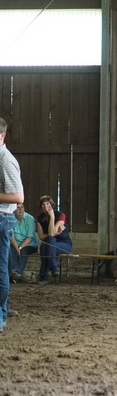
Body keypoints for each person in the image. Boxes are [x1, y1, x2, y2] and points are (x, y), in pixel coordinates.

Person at [0, 117, 24, 331]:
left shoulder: (6, 161)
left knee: (1, 269)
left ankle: (1, 314)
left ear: (2, 136)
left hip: (1, 218)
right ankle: (4, 310)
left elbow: (18, 196)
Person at [36, 195, 73, 285]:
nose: (46, 207)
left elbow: (51, 234)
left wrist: (52, 217)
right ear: (41, 207)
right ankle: (53, 267)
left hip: (64, 244)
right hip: (50, 244)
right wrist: (55, 233)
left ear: (51, 205)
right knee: (47, 243)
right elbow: (41, 236)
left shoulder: (60, 215)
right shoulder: (39, 218)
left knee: (46, 245)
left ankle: (43, 276)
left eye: (48, 204)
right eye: (43, 205)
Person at [10, 203, 38, 282]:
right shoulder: (11, 218)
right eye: (18, 208)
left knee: (23, 251)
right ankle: (14, 273)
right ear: (13, 210)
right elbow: (11, 236)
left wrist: (20, 247)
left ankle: (17, 273)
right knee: (11, 250)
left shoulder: (30, 219)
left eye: (22, 207)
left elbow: (30, 237)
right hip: (15, 243)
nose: (20, 209)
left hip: (29, 244)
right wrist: (16, 247)